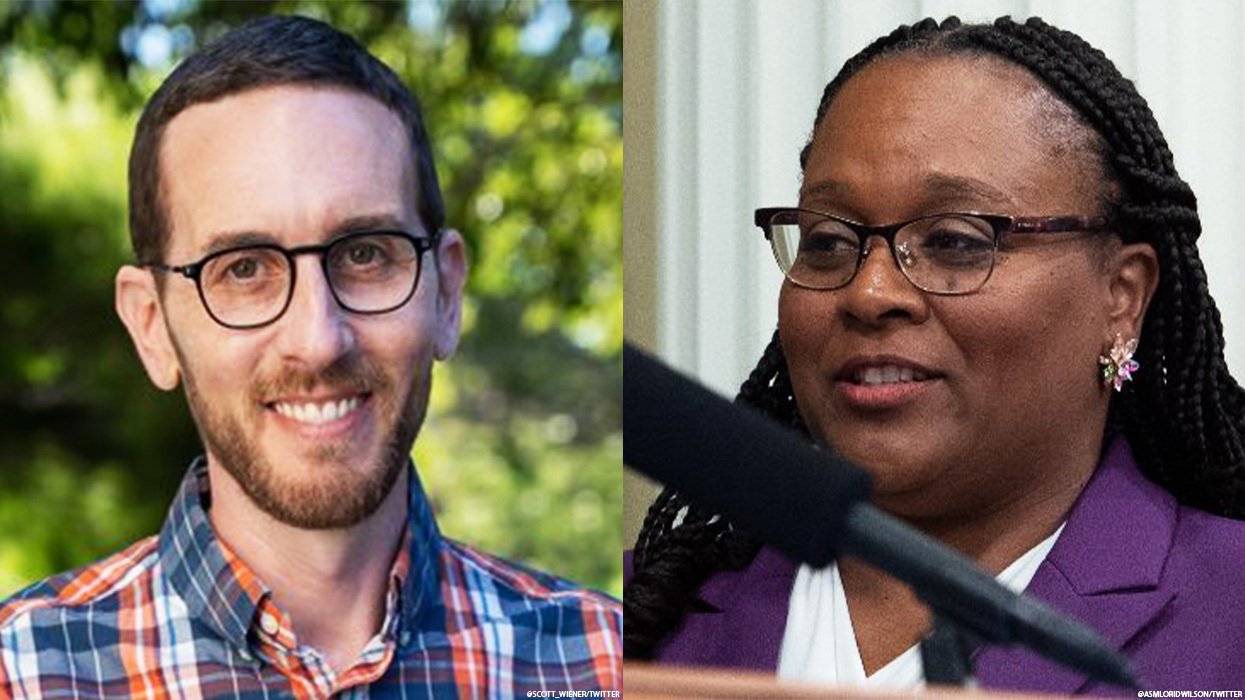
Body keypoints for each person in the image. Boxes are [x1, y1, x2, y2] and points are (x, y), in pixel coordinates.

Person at [0, 15, 621, 698]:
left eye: (364, 255)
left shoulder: (605, 662)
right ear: (151, 325)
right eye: (242, 269)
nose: (318, 339)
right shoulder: (22, 673)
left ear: (445, 294)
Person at [625, 15, 1245, 695]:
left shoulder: (1227, 609)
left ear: (1120, 298)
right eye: (828, 241)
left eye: (955, 240)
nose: (868, 292)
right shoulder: (632, 617)